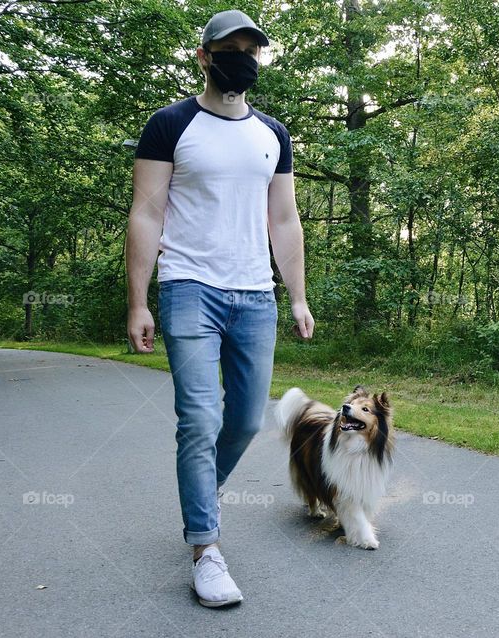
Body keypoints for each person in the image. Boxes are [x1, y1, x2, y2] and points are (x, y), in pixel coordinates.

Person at [124, 9, 314, 608]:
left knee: (245, 422)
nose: (243, 60)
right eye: (230, 50)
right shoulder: (170, 125)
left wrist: (298, 296)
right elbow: (146, 214)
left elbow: (283, 219)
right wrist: (138, 301)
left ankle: (204, 489)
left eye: (251, 52)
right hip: (188, 289)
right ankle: (206, 549)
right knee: (200, 420)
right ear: (204, 56)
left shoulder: (273, 135)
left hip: (255, 295)